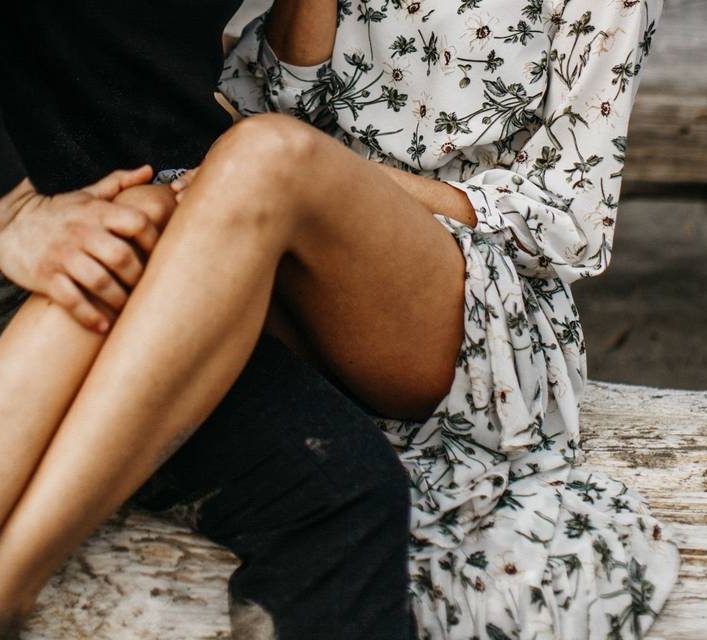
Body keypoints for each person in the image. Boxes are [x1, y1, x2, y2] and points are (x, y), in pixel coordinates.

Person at [0, 1, 415, 639]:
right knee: (338, 496)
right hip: (11, 284)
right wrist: (7, 212)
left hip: (172, 243)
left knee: (349, 491)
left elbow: (280, 87)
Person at [210, 0, 680, 638]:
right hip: (301, 242)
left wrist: (340, 183)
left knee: (265, 166)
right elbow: (281, 103)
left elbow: (572, 220)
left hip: (472, 308)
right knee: (139, 233)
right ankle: (25, 547)